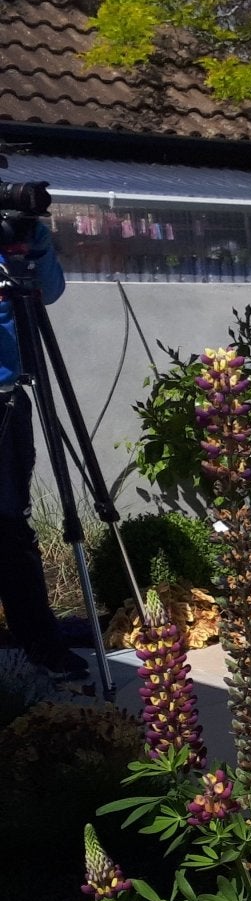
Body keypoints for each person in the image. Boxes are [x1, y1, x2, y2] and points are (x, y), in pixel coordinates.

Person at [0, 216, 86, 676]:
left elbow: (48, 292)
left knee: (11, 527)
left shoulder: (11, 233)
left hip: (8, 399)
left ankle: (42, 645)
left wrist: (34, 245)